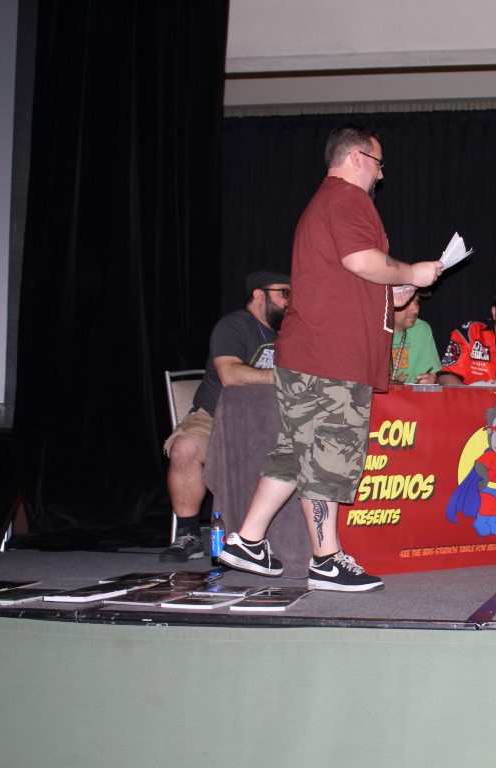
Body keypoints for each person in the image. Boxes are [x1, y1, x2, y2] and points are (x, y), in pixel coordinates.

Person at [219, 123, 442, 591]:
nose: (381, 174)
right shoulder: (347, 198)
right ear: (357, 158)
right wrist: (413, 273)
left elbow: (348, 280)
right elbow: (361, 261)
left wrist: (391, 294)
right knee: (328, 453)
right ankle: (326, 559)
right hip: (330, 357)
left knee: (296, 452)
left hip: (311, 352)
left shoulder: (327, 201)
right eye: (378, 163)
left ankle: (248, 540)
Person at [160, 270, 291, 562]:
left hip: (269, 420)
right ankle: (188, 533)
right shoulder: (234, 325)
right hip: (215, 415)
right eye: (284, 293)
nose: (290, 301)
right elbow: (229, 374)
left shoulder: (292, 331)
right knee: (184, 449)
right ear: (259, 295)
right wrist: (281, 376)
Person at [390, 289, 439, 385]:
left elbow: (430, 376)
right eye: (407, 302)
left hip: (408, 394)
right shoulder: (367, 330)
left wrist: (429, 380)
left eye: (416, 301)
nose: (415, 310)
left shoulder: (421, 329)